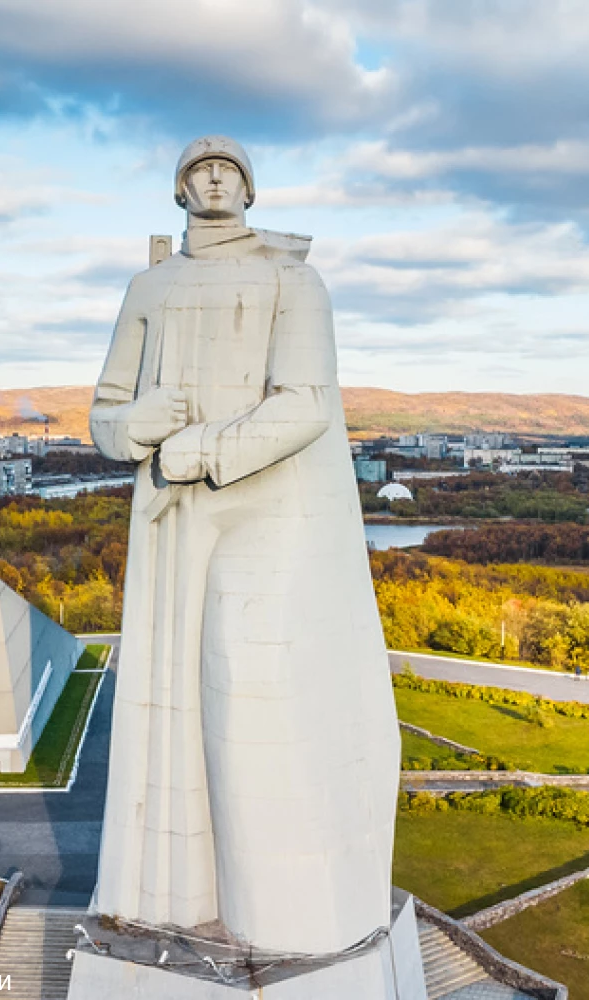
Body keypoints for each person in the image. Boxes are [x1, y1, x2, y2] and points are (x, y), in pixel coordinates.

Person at [88, 136, 399, 954]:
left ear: (251, 191)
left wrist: (204, 450)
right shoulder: (148, 286)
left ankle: (290, 914)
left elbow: (305, 404)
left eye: (229, 169)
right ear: (180, 191)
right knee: (177, 705)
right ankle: (178, 898)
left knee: (258, 687)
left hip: (270, 506)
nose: (215, 178)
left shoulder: (292, 280)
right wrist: (134, 428)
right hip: (172, 517)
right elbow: (105, 412)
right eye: (198, 170)